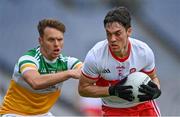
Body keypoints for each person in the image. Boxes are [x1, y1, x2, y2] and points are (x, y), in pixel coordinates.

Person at [78, 6, 161, 116]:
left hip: (144, 107)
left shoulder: (143, 51)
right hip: (114, 109)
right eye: (109, 34)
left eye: (117, 33)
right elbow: (83, 89)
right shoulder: (95, 56)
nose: (112, 39)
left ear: (129, 31)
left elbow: (153, 77)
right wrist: (112, 91)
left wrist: (156, 91)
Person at [0, 19, 82, 117]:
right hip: (14, 113)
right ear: (41, 41)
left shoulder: (67, 62)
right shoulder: (28, 59)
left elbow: (87, 70)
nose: (56, 44)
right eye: (51, 40)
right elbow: (36, 82)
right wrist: (69, 73)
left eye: (60, 39)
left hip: (42, 114)